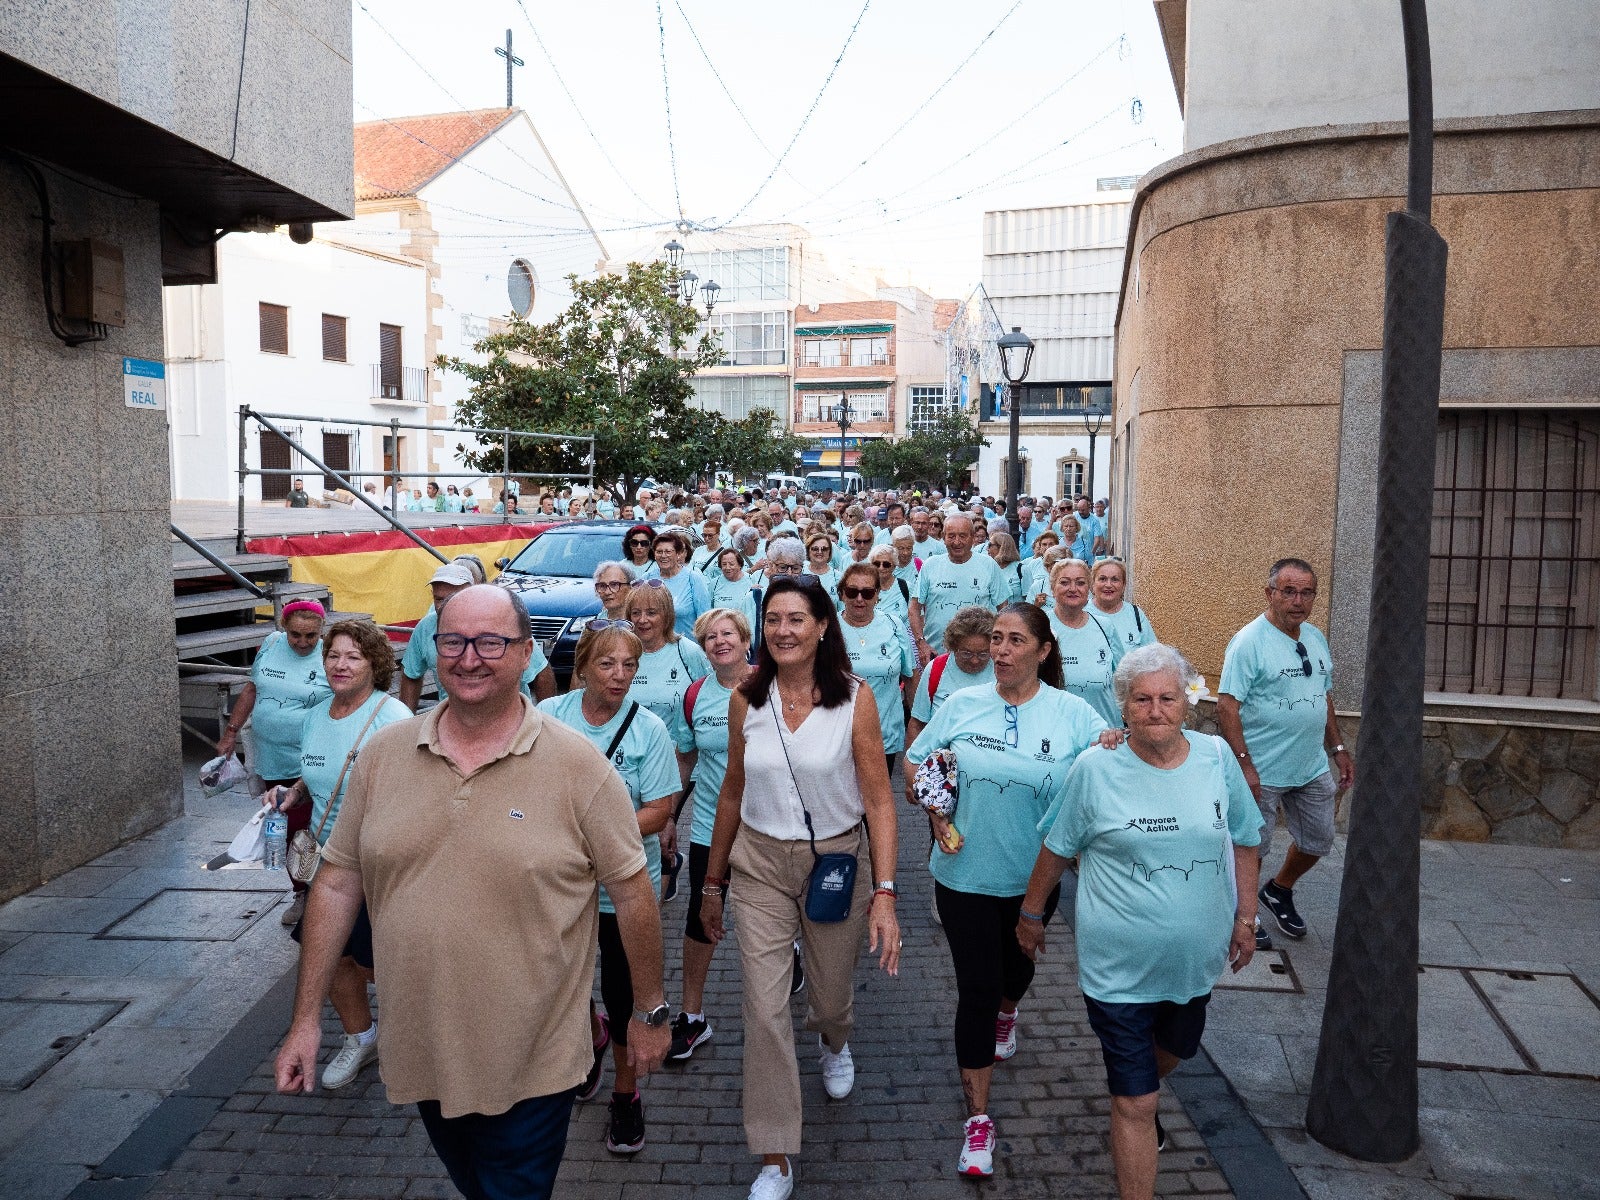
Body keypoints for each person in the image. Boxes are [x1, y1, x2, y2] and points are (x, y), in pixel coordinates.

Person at [275, 585, 671, 1199]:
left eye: (492, 641)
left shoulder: (579, 767)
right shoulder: (383, 756)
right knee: (473, 1182)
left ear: (527, 655)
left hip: (534, 1056)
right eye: (453, 641)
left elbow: (635, 892)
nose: (469, 658)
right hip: (424, 1046)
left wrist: (648, 1010)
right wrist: (305, 1020)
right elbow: (336, 881)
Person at [1019, 644, 1262, 1200]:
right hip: (1117, 967)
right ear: (1123, 708)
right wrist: (1032, 915)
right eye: (1142, 699)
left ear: (1185, 703)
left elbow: (1246, 839)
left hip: (1193, 964)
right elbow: (1056, 848)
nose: (1156, 710)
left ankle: (1140, 1090)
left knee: (1171, 1055)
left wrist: (1245, 917)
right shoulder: (1095, 768)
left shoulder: (1217, 757)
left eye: (1167, 698)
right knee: (1136, 1102)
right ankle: (1135, 1124)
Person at [700, 576, 901, 1200]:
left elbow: (878, 799)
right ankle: (776, 1154)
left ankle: (835, 1039)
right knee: (762, 1008)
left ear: (821, 627)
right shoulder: (745, 699)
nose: (782, 631)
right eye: (773, 620)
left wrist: (886, 891)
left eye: (796, 619)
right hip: (758, 863)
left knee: (831, 991)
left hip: (836, 862)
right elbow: (732, 790)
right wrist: (713, 882)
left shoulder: (855, 699)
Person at [905, 604, 1111, 1177]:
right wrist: (937, 809)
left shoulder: (1074, 715)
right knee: (978, 986)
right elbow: (918, 761)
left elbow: (1111, 772)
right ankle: (978, 1121)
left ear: (1043, 651)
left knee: (1016, 975)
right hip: (962, 875)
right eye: (995, 639)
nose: (999, 650)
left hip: (1033, 881)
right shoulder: (962, 704)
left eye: (1014, 640)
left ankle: (1008, 1014)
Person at [538, 625, 679, 1154]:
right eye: (607, 664)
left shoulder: (649, 730)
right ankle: (589, 1038)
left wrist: (595, 841)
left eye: (629, 666)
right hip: (562, 886)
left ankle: (625, 1093)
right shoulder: (551, 719)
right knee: (563, 987)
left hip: (623, 890)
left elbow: (661, 809)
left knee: (623, 996)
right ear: (582, 667)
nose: (620, 676)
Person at [275, 619, 410, 1089]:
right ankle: (361, 1037)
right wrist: (292, 792)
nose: (340, 664)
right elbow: (320, 772)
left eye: (353, 656)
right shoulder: (315, 715)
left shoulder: (392, 718)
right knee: (329, 960)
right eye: (333, 655)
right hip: (326, 864)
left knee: (380, 964)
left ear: (374, 664)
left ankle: (408, 1038)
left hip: (377, 866)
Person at [1217, 558, 1354, 950]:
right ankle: (1246, 913)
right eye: (1289, 591)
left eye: (1306, 592)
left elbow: (1322, 696)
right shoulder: (1249, 641)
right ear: (1270, 593)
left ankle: (1279, 890)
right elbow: (1227, 706)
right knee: (1253, 847)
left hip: (1310, 766)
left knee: (1319, 840)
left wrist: (1338, 748)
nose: (1298, 600)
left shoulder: (1314, 636)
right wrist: (1245, 766)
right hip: (1263, 768)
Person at [669, 608, 754, 1062]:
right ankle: (693, 1016)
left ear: (745, 641)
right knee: (700, 918)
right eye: (710, 638)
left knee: (786, 910)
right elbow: (685, 761)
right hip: (708, 825)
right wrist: (669, 816)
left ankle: (795, 950)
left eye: (728, 635)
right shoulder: (695, 695)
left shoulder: (772, 686)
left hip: (767, 825)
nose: (720, 642)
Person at [218, 599, 331, 926]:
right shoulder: (269, 645)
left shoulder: (328, 656)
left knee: (303, 831)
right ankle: (303, 888)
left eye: (311, 635)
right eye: (295, 634)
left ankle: (311, 894)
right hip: (271, 757)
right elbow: (252, 690)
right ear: (283, 628)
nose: (303, 642)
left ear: (321, 631)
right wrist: (230, 734)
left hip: (310, 759)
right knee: (280, 831)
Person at [400, 563, 554, 711]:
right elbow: (411, 674)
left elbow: (541, 672)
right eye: (439, 599)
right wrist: (405, 722)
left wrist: (546, 721)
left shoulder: (500, 619)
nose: (445, 605)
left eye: (453, 597)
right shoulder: (425, 627)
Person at [837, 563, 917, 777]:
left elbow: (910, 675)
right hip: (837, 736)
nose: (860, 599)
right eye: (852, 592)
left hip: (884, 735)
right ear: (842, 593)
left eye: (868, 592)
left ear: (878, 594)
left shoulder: (894, 625)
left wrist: (916, 727)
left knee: (875, 804)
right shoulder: (828, 628)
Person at [910, 514, 1011, 670]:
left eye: (963, 536)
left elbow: (1004, 608)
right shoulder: (930, 565)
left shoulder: (988, 565)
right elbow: (914, 607)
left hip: (978, 659)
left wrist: (998, 644)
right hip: (936, 655)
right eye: (951, 536)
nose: (957, 542)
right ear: (943, 538)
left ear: (972, 538)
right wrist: (921, 642)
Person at [621, 580, 711, 732]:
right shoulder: (621, 653)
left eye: (651, 612)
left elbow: (709, 703)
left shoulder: (688, 652)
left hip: (675, 752)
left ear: (666, 615)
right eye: (636, 613)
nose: (642, 620)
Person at [1045, 559, 1122, 727]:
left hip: (1105, 734)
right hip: (1056, 731)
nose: (1073, 589)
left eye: (1080, 583)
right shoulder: (1040, 626)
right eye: (1064, 583)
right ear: (1052, 588)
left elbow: (1123, 677)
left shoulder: (1105, 626)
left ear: (1089, 589)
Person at [906, 606, 997, 747]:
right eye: (966, 653)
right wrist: (912, 765)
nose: (975, 660)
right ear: (953, 647)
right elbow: (917, 724)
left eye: (983, 654)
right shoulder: (936, 669)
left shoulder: (1001, 671)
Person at [652, 528, 712, 638]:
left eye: (668, 551)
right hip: (655, 648)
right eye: (659, 552)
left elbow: (705, 619)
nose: (663, 556)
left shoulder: (693, 578)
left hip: (687, 648)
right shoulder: (648, 579)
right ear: (654, 554)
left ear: (678, 554)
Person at [1091, 559, 1157, 652]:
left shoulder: (1135, 614)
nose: (1108, 585)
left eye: (1115, 579)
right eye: (1102, 579)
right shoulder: (1081, 612)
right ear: (1093, 583)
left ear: (1123, 585)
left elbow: (1152, 654)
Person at [868, 544, 912, 632]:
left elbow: (915, 617)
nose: (881, 568)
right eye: (876, 564)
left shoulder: (906, 587)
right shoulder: (866, 588)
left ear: (894, 565)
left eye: (886, 564)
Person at [986, 531, 1028, 603]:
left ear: (1001, 547)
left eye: (990, 545)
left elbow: (1029, 599)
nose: (987, 548)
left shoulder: (1021, 569)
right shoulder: (988, 569)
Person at [1022, 531, 1060, 604]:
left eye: (1051, 544)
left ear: (1057, 545)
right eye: (1044, 544)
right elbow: (1028, 594)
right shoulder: (1032, 564)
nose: (1047, 547)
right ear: (1040, 547)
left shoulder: (1064, 562)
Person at [803, 532, 841, 602]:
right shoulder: (800, 573)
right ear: (808, 551)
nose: (820, 552)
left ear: (829, 552)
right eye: (815, 549)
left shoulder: (838, 577)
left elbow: (842, 608)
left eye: (824, 549)